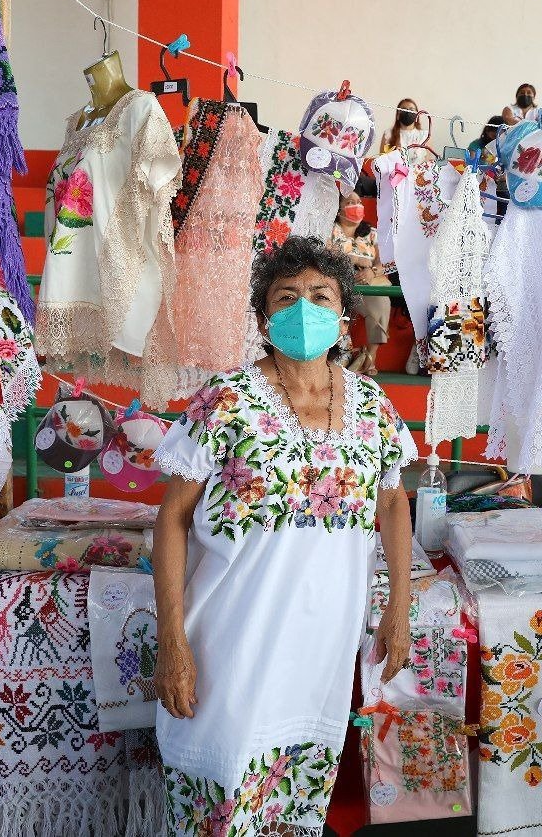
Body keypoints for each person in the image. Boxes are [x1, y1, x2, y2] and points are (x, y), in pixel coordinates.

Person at [152, 235, 415, 836]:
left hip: (319, 656)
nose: (304, 308)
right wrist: (172, 640)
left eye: (321, 296)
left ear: (344, 316)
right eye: (286, 296)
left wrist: (397, 610)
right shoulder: (226, 400)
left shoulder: (373, 405)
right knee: (221, 805)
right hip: (229, 649)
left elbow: (393, 501)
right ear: (263, 318)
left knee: (294, 809)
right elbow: (171, 518)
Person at [330, 192, 389, 375]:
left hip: (366, 286)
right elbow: (326, 254)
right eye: (350, 202)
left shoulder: (371, 233)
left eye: (359, 202)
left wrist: (372, 271)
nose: (357, 205)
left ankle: (370, 356)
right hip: (338, 285)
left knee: (381, 302)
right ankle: (345, 354)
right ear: (339, 210)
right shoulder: (331, 229)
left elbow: (384, 263)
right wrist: (355, 259)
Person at [380, 98, 433, 166]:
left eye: (411, 109)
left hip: (418, 172)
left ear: (417, 114)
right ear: (398, 115)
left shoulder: (425, 135)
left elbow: (427, 162)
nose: (408, 112)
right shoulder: (388, 134)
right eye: (404, 109)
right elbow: (382, 161)